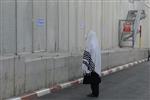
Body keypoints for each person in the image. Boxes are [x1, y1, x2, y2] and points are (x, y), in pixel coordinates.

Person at [82, 31, 101, 97]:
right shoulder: (96, 44)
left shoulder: (90, 44)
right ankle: (95, 93)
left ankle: (94, 93)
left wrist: (86, 66)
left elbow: (88, 54)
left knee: (93, 80)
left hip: (91, 65)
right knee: (95, 80)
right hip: (96, 66)